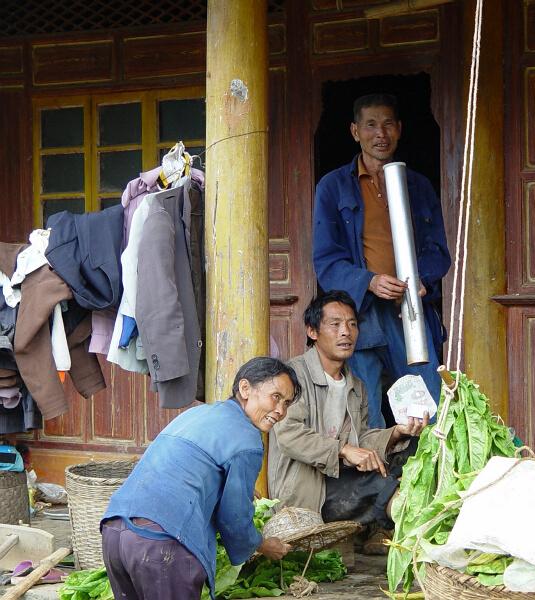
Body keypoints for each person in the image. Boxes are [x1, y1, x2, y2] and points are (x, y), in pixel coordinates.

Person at [101, 357, 300, 600]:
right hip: (161, 543)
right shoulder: (247, 440)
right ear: (245, 389)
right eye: (276, 397)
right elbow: (235, 519)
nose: (280, 411)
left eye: (287, 403)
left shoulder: (197, 414)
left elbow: (183, 471)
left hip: (115, 532)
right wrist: (262, 544)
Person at [312, 92, 451, 428]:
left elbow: (438, 251)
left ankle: (432, 473)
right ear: (354, 131)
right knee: (364, 408)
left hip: (410, 312)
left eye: (388, 124)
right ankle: (375, 478)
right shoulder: (332, 187)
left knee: (427, 401)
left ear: (400, 129)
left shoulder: (417, 185)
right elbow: (326, 259)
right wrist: (369, 281)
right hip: (360, 312)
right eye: (371, 125)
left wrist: (422, 278)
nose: (381, 133)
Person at [268, 290, 428, 554]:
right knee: (379, 484)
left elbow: (362, 439)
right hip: (308, 489)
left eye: (352, 324)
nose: (346, 332)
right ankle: (423, 544)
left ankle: (387, 529)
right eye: (335, 324)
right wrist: (342, 450)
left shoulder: (356, 385)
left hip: (344, 479)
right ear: (312, 332)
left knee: (416, 449)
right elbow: (289, 435)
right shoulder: (293, 375)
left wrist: (396, 433)